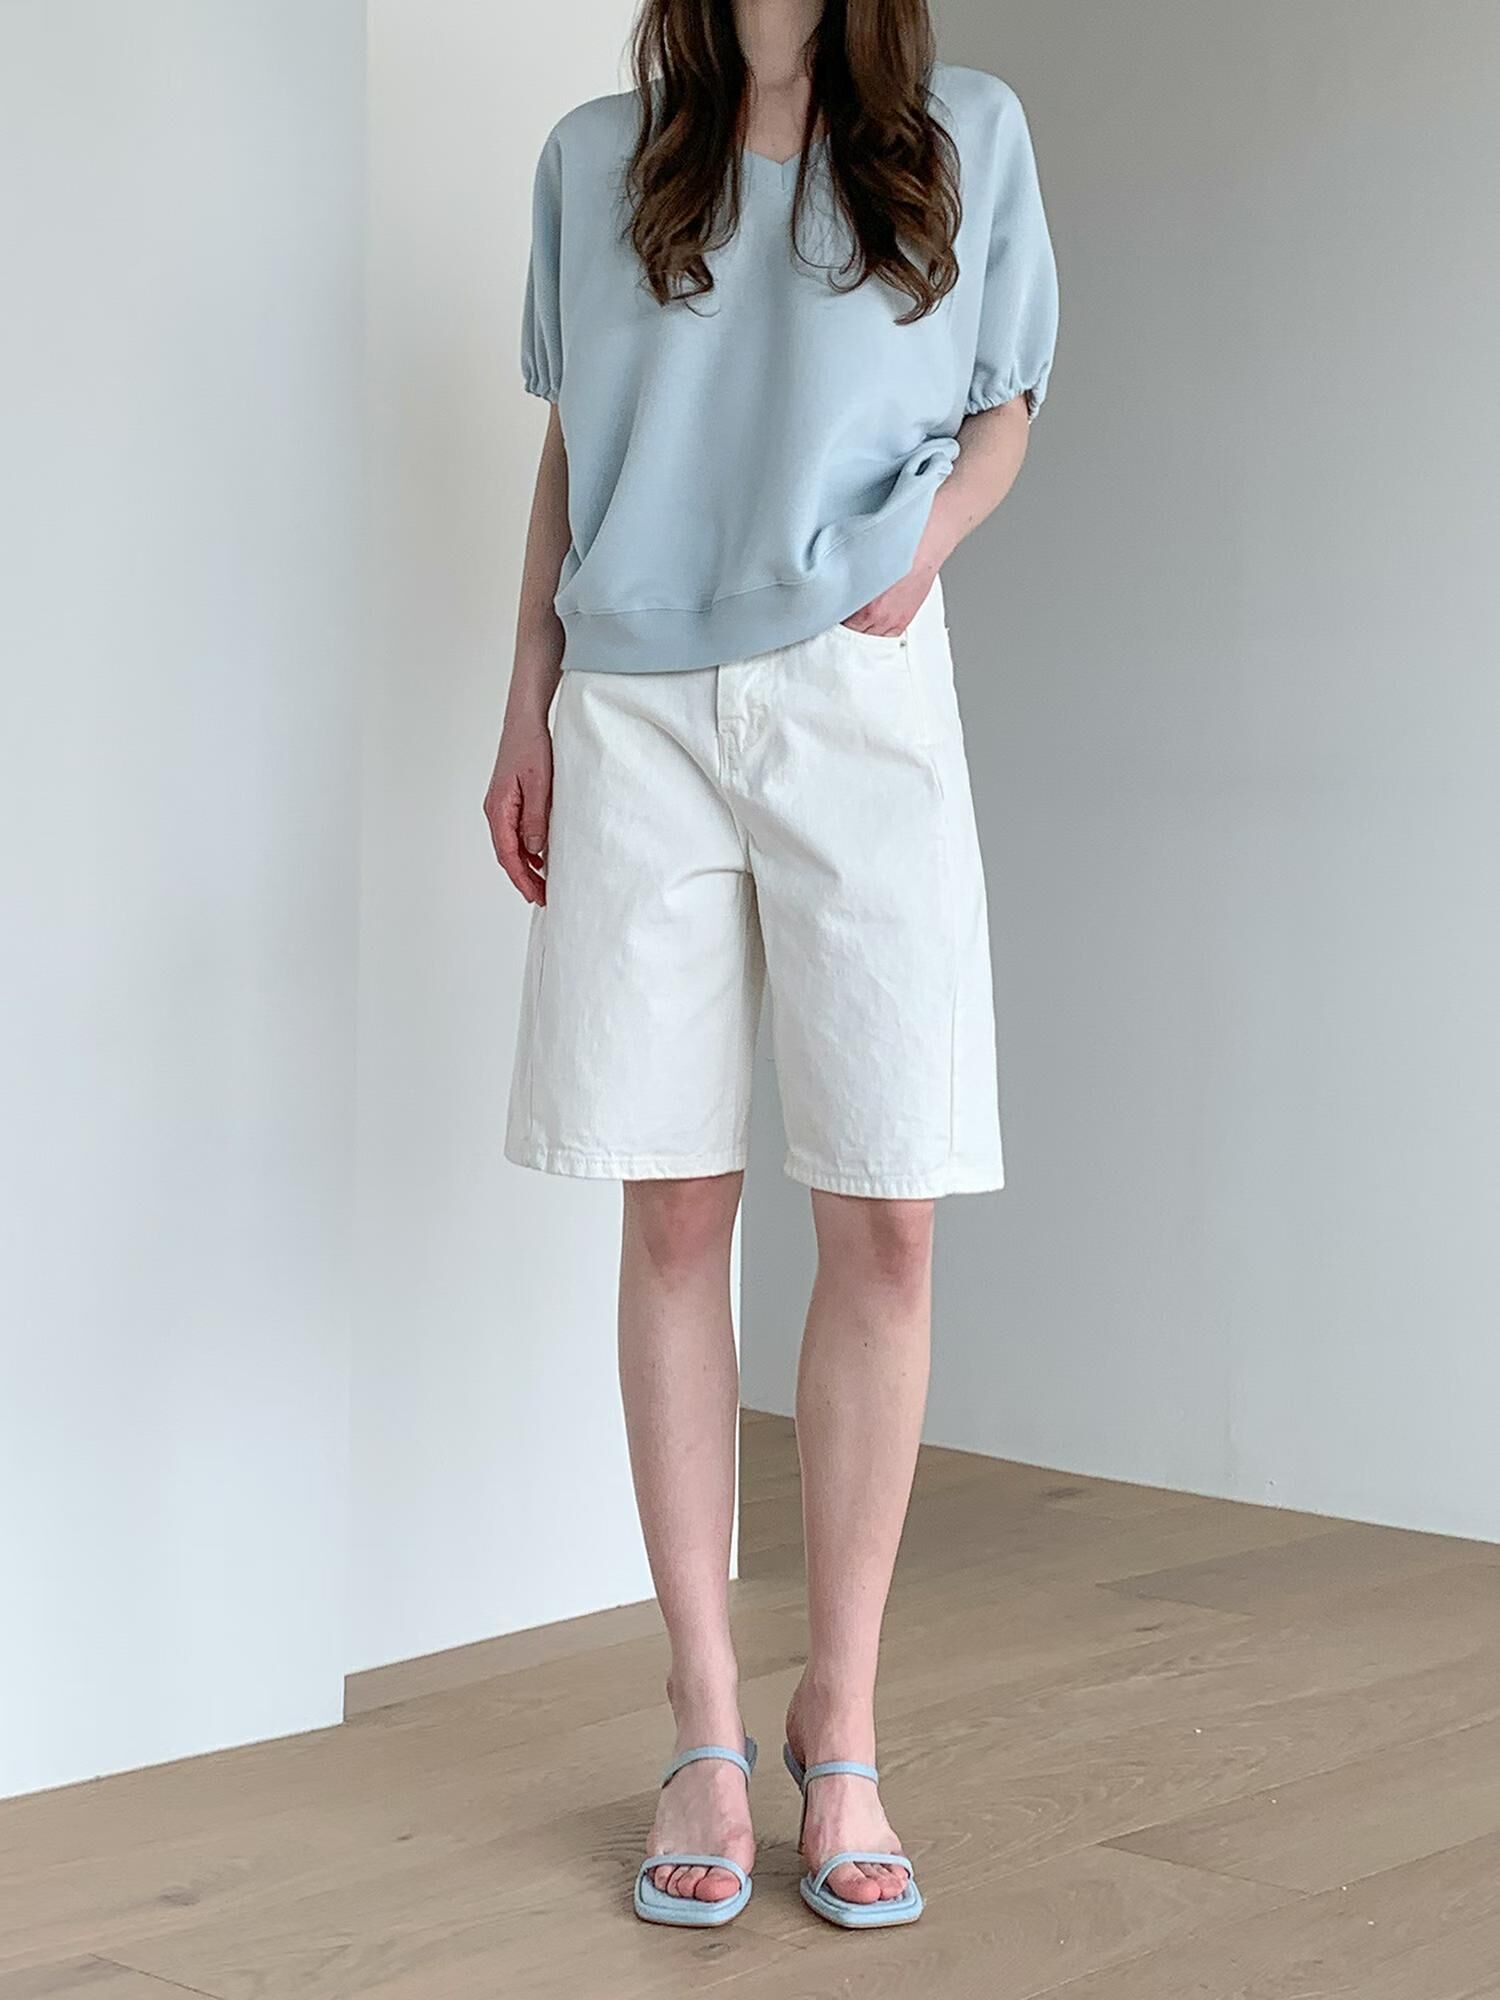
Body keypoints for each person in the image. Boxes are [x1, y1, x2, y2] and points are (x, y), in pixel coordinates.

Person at [483, 0, 1057, 1932]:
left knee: (887, 1214)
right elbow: (579, 443)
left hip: (857, 697)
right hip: (634, 709)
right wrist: (527, 695)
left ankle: (847, 1721)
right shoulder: (597, 155)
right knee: (672, 1203)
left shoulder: (965, 133)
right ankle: (705, 1725)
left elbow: (1009, 400)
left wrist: (916, 558)